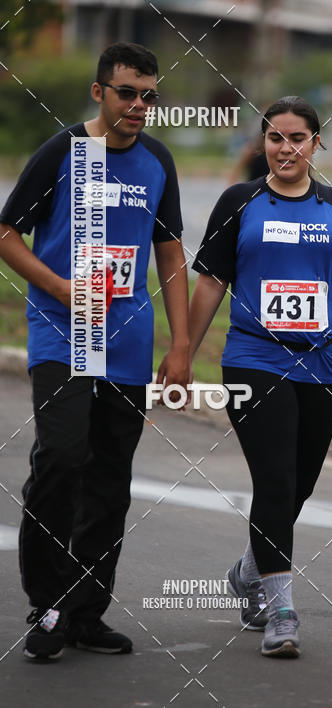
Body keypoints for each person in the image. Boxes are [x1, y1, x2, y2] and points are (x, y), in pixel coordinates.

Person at [189, 95, 332, 658]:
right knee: (275, 479)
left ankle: (248, 571)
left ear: (317, 143)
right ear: (262, 143)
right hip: (254, 357)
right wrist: (180, 353)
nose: (285, 148)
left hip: (322, 364)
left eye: (297, 138)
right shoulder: (239, 202)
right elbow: (211, 284)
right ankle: (281, 610)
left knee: (300, 484)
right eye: (274, 138)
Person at [0, 42, 189, 659]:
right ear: (98, 92)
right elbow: (7, 231)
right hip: (62, 333)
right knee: (61, 454)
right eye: (127, 93)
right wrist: (57, 286)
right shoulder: (63, 153)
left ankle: (83, 613)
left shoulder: (158, 162)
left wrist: (182, 343)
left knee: (109, 478)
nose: (138, 106)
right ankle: (47, 605)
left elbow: (169, 252)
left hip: (128, 343)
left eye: (149, 96)